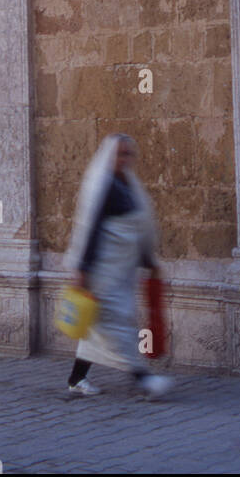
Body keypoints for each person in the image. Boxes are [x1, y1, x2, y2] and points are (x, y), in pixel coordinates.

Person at [65, 133, 171, 399]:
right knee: (119, 325)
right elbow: (91, 229)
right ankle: (144, 379)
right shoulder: (103, 186)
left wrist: (148, 261)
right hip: (103, 272)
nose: (124, 159)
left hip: (122, 272)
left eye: (128, 154)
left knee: (98, 327)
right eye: (119, 154)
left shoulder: (127, 186)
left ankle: (77, 379)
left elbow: (137, 227)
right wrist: (82, 268)